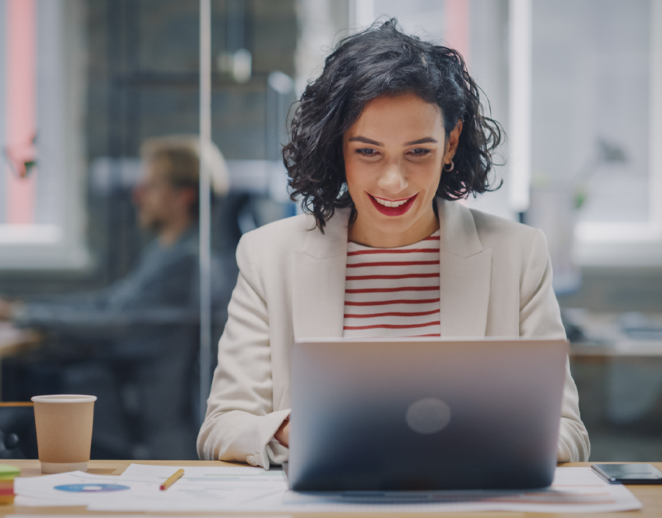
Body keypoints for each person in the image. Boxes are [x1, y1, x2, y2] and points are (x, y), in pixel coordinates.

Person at [198, 20, 590, 468]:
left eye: (418, 152)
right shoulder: (268, 255)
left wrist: (472, 439)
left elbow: (569, 433)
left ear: (451, 143)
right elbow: (222, 426)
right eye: (367, 151)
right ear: (338, 147)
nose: (393, 181)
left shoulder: (519, 255)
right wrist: (292, 430)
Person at [0, 136, 229, 459]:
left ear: (183, 196)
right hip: (118, 402)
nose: (137, 195)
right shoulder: (168, 252)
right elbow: (109, 303)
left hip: (134, 420)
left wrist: (25, 314)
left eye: (150, 185)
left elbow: (116, 323)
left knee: (14, 418)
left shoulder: (188, 263)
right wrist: (22, 309)